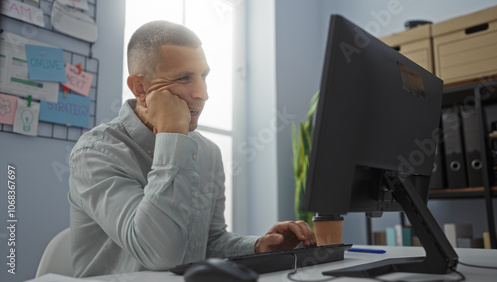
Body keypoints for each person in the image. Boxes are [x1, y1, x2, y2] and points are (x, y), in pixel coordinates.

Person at [68, 20, 316, 278]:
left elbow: (207, 243)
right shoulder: (95, 153)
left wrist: (257, 246)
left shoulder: (207, 151)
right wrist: (172, 134)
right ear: (141, 89)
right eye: (184, 78)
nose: (202, 93)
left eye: (203, 76)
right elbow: (159, 254)